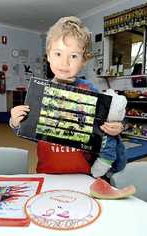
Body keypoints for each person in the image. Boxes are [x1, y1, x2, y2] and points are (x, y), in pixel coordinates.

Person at [10, 16, 125, 180]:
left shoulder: (89, 89)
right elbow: (30, 129)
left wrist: (116, 127)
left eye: (74, 56)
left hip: (83, 172)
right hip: (47, 171)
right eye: (58, 53)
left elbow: (106, 126)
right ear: (48, 55)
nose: (64, 63)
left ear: (84, 60)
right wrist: (15, 122)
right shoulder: (40, 92)